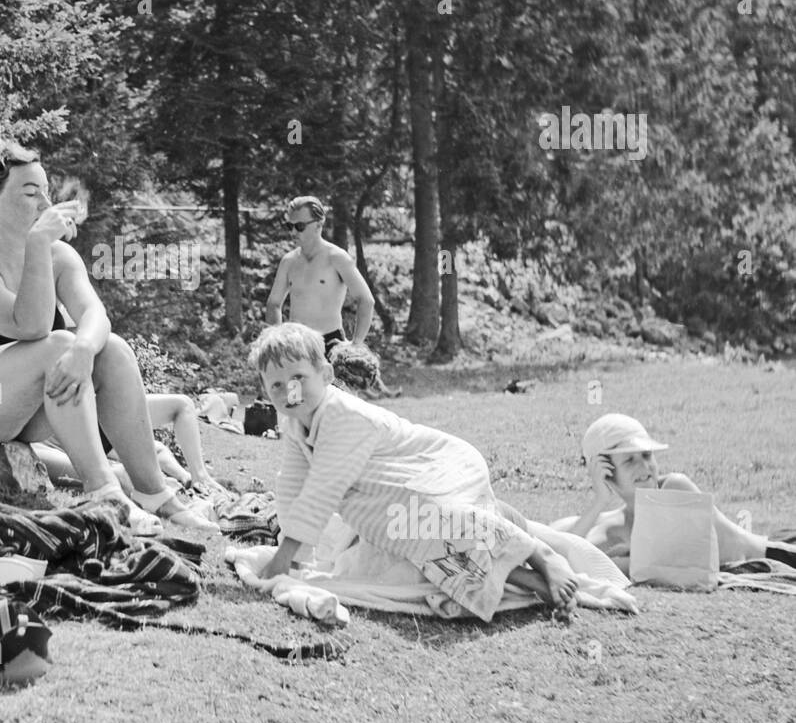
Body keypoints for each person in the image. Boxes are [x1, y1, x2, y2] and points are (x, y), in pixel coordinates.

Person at [0, 141, 216, 533]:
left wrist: (86, 348)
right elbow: (29, 327)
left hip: (16, 406)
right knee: (59, 345)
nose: (46, 203)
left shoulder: (59, 257)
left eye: (46, 191)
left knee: (111, 349)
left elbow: (95, 314)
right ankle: (104, 493)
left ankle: (154, 493)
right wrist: (36, 243)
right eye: (31, 192)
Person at [249, 323, 580, 619]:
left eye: (298, 379)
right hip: (388, 494)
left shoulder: (341, 414)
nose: (289, 393)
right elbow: (292, 485)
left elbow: (322, 488)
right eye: (276, 386)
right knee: (411, 549)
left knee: (428, 519)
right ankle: (525, 577)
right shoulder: (294, 422)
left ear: (326, 375)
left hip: (437, 467)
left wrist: (284, 557)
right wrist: (292, 559)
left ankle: (540, 557)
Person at [558, 412, 796, 572]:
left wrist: (622, 562)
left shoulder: (673, 487)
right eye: (629, 461)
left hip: (776, 556)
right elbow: (560, 553)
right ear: (606, 472)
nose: (645, 467)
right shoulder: (604, 524)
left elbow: (681, 560)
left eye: (647, 455)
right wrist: (600, 499)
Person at [264, 195, 397, 397]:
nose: (293, 232)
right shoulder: (288, 262)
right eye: (289, 226)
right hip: (297, 348)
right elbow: (274, 304)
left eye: (299, 226)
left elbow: (366, 300)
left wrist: (356, 345)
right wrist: (278, 341)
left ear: (318, 224)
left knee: (334, 409)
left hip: (331, 345)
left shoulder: (337, 258)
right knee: (295, 405)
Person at [31, 393, 225, 497]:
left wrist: (188, 477)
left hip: (88, 409)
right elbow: (117, 475)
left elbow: (157, 449)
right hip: (54, 437)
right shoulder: (41, 448)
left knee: (183, 404)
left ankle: (201, 477)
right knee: (114, 476)